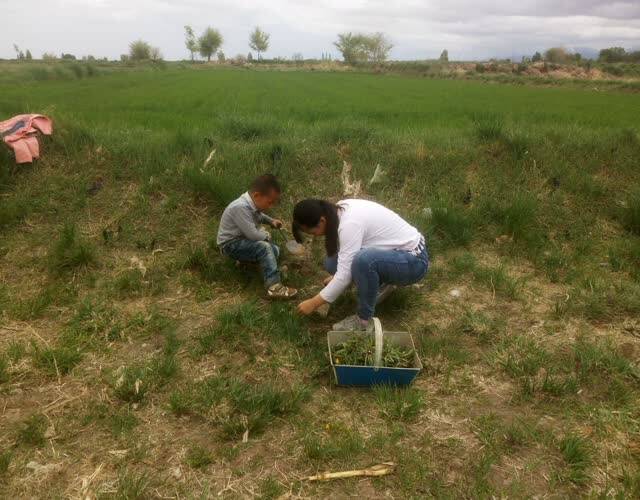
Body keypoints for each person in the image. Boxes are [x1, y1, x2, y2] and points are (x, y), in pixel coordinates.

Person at [292, 198, 428, 330]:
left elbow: (344, 275)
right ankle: (380, 284)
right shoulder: (336, 211)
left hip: (414, 261)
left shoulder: (349, 223)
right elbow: (347, 257)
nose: (315, 236)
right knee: (332, 263)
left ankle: (363, 321)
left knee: (364, 261)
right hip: (393, 252)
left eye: (312, 232)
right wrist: (337, 278)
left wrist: (313, 303)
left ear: (322, 220)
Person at [217, 174, 298, 299]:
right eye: (270, 202)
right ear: (256, 196)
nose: (270, 206)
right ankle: (274, 287)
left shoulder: (252, 205)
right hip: (230, 244)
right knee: (265, 248)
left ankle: (248, 264)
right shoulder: (240, 207)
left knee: (275, 250)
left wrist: (271, 221)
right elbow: (253, 235)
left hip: (242, 241)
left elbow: (259, 216)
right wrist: (266, 235)